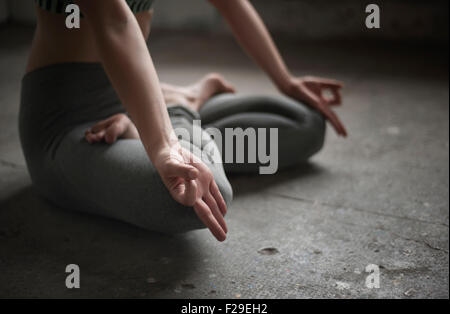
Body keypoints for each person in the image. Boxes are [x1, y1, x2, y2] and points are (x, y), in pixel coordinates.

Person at [19, 0, 346, 242]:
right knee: (188, 198)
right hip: (69, 129)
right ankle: (179, 112)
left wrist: (286, 81)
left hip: (138, 104)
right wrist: (162, 146)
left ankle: (170, 121)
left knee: (307, 124)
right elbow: (115, 21)